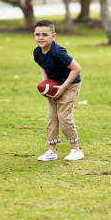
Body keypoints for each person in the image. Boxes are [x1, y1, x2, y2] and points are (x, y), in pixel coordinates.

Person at [33, 20, 84, 161]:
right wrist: (46, 83)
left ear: (53, 36)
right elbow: (43, 66)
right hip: (55, 86)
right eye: (37, 34)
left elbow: (76, 68)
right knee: (52, 117)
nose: (40, 37)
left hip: (70, 84)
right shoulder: (37, 52)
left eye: (45, 34)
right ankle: (52, 151)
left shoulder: (58, 52)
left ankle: (76, 149)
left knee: (64, 116)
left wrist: (63, 88)